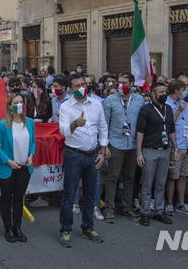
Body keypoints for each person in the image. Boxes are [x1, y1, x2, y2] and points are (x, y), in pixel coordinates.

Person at [58, 74, 107, 247]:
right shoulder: (65, 107)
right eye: (77, 85)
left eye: (83, 84)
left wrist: (102, 150)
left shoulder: (96, 104)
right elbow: (64, 131)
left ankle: (88, 227)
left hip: (93, 155)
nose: (81, 88)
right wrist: (74, 124)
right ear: (70, 89)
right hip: (74, 155)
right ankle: (65, 229)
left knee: (90, 193)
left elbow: (102, 127)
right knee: (69, 194)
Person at [0, 93, 35, 243]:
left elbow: (33, 142)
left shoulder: (30, 122)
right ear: (10, 107)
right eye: (16, 102)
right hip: (8, 168)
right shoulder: (3, 125)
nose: (19, 105)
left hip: (24, 167)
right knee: (6, 198)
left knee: (19, 198)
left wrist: (31, 155)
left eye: (21, 102)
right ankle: (8, 228)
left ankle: (17, 228)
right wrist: (8, 161)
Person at [102, 73, 145, 223]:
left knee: (130, 178)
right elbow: (104, 124)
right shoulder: (110, 100)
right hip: (115, 144)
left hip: (133, 144)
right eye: (119, 82)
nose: (121, 85)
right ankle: (109, 209)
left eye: (124, 83)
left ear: (132, 84)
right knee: (113, 177)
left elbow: (142, 123)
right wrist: (105, 146)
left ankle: (127, 208)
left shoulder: (139, 100)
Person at [136, 82, 178, 226]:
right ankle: (145, 212)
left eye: (165, 91)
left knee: (161, 183)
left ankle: (159, 211)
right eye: (161, 92)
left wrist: (175, 149)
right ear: (153, 94)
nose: (164, 94)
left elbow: (171, 130)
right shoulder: (146, 110)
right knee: (147, 184)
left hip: (165, 150)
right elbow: (140, 132)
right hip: (149, 151)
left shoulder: (168, 109)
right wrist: (139, 152)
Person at [165, 80, 188, 216]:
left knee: (183, 176)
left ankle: (181, 203)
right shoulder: (167, 104)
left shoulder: (185, 104)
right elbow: (168, 124)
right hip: (176, 145)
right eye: (184, 89)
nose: (186, 92)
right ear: (177, 90)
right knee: (172, 176)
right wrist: (178, 111)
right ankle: (168, 203)